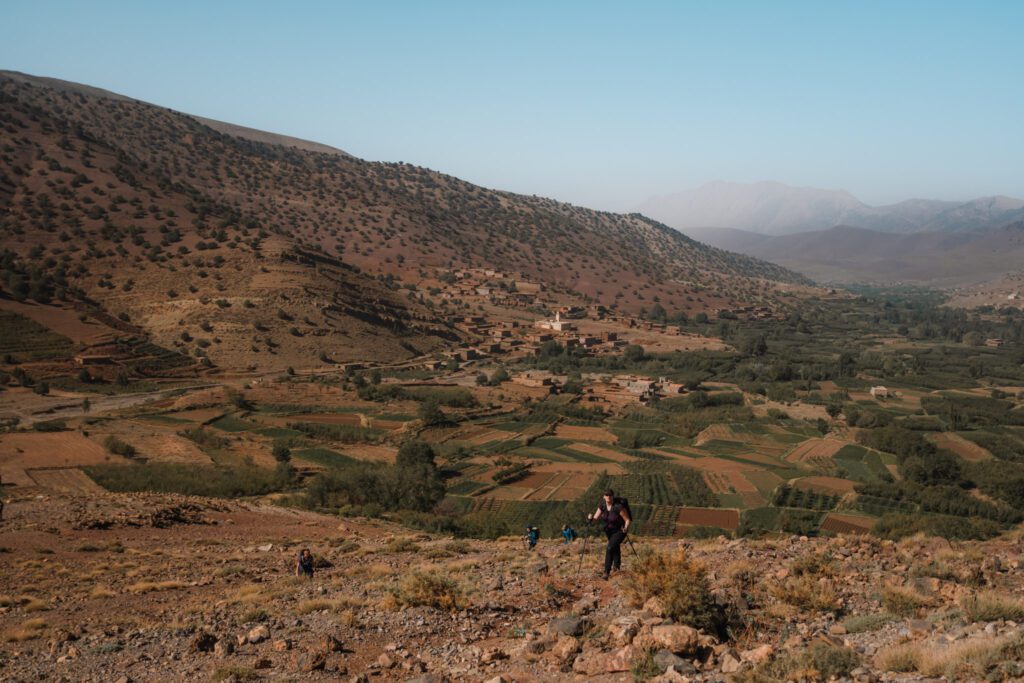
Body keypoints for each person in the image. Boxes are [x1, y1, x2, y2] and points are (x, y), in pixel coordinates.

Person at [588, 488, 631, 580]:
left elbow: (627, 520)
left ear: (613, 496)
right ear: (604, 497)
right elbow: (595, 519)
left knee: (610, 547)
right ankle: (617, 568)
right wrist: (590, 518)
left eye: (610, 495)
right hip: (609, 531)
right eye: (606, 495)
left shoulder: (618, 507)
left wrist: (626, 528)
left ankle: (606, 572)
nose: (608, 496)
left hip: (620, 530)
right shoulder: (602, 506)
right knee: (615, 547)